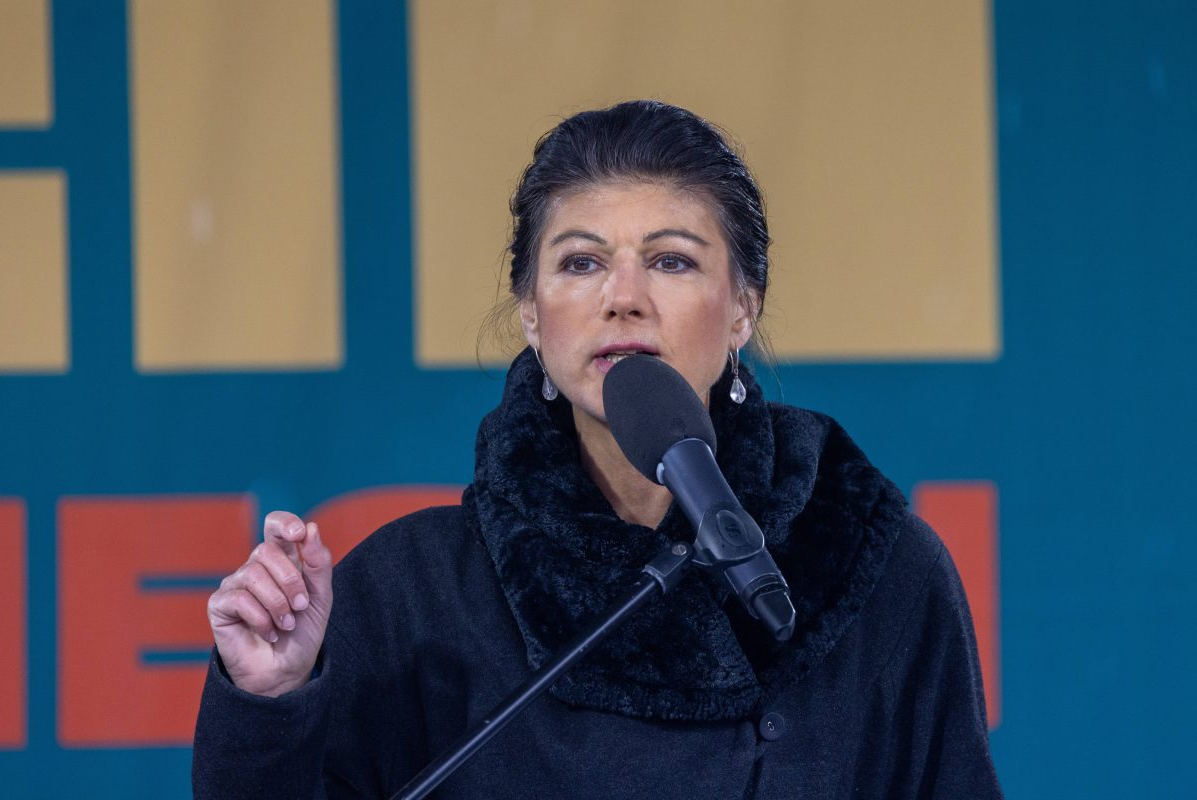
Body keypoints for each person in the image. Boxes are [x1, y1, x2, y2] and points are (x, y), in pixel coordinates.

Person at [193, 100, 1003, 799]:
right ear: (534, 315)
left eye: (672, 261)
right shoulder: (410, 594)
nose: (623, 298)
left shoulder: (870, 563)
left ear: (743, 309)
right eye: (581, 262)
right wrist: (273, 700)